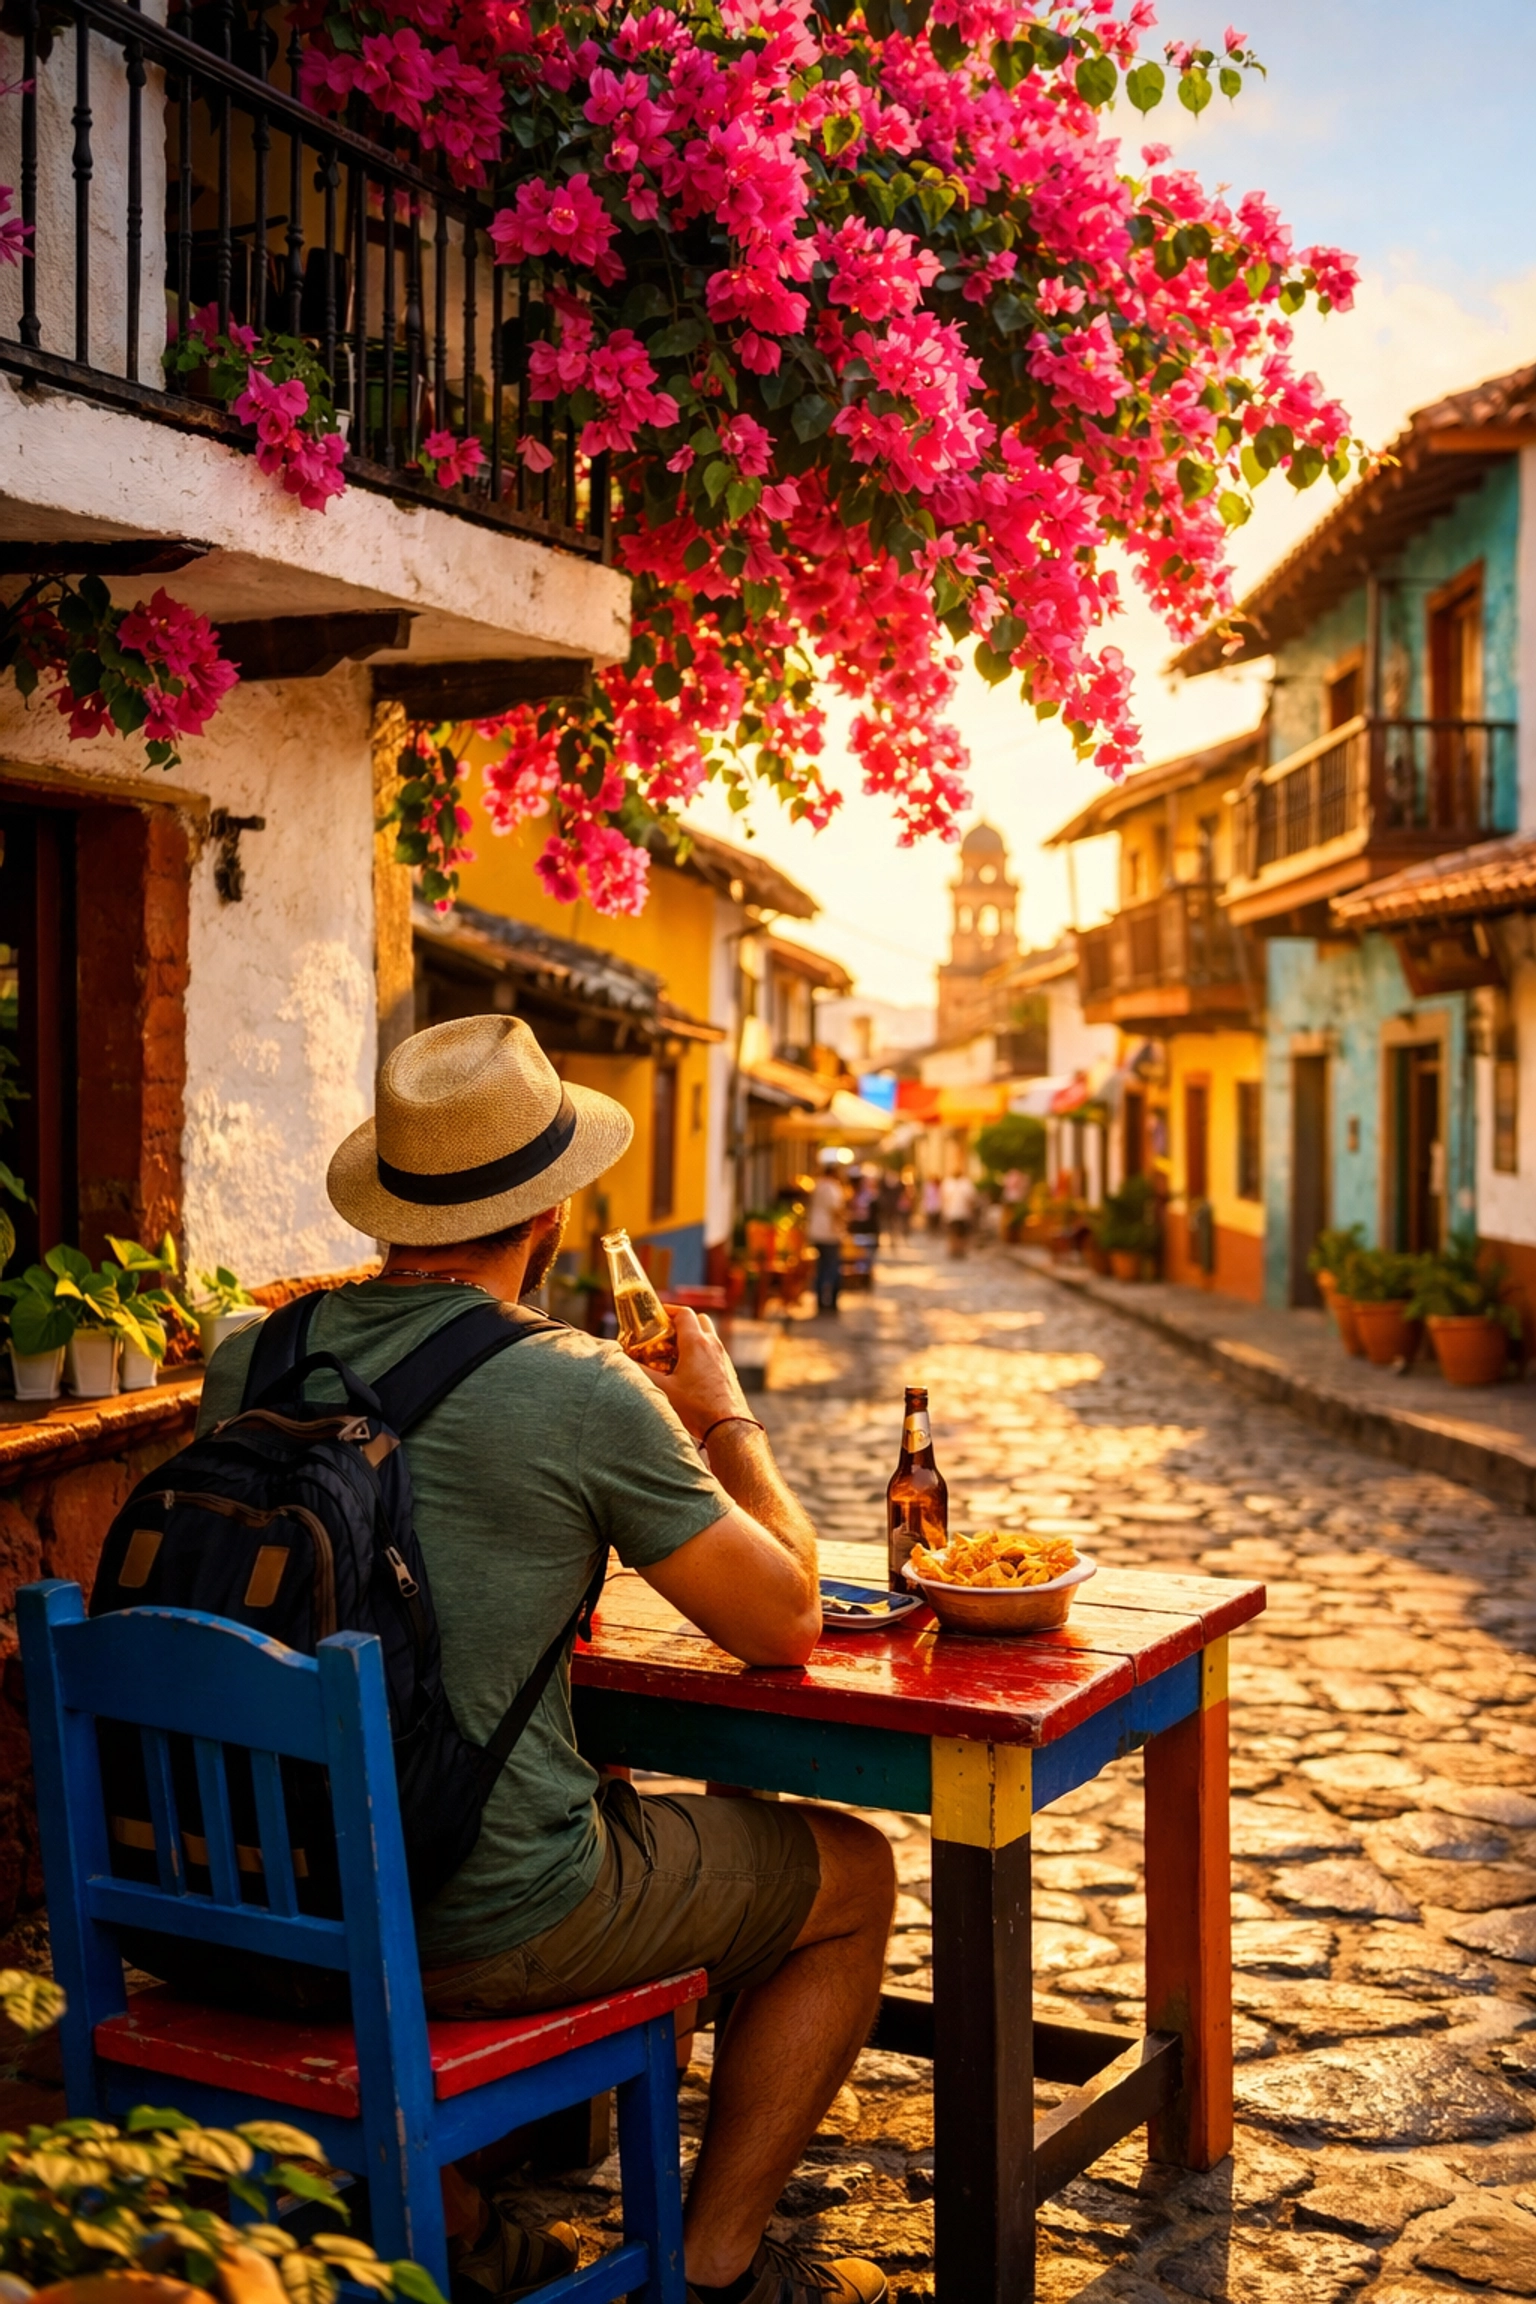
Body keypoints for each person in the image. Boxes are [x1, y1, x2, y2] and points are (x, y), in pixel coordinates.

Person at [198, 1018, 895, 2304]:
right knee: (853, 1873)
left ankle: (460, 2222)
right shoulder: (579, 1388)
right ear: (554, 1217)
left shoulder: (252, 1355)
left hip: (246, 1889)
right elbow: (788, 1619)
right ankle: (718, 2264)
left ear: (393, 1206)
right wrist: (727, 1416)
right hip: (468, 1914)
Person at [806, 1156, 847, 1316]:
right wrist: (842, 1226)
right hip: (829, 1232)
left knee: (821, 1266)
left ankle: (820, 1299)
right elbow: (835, 1210)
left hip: (816, 1230)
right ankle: (829, 1299)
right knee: (832, 1266)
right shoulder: (832, 1188)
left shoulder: (817, 1186)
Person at [939, 1167, 977, 1257]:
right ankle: (958, 1250)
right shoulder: (965, 1183)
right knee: (959, 1233)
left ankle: (955, 1250)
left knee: (955, 1233)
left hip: (954, 1213)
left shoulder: (949, 1183)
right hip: (960, 1213)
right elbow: (971, 1199)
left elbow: (943, 1198)